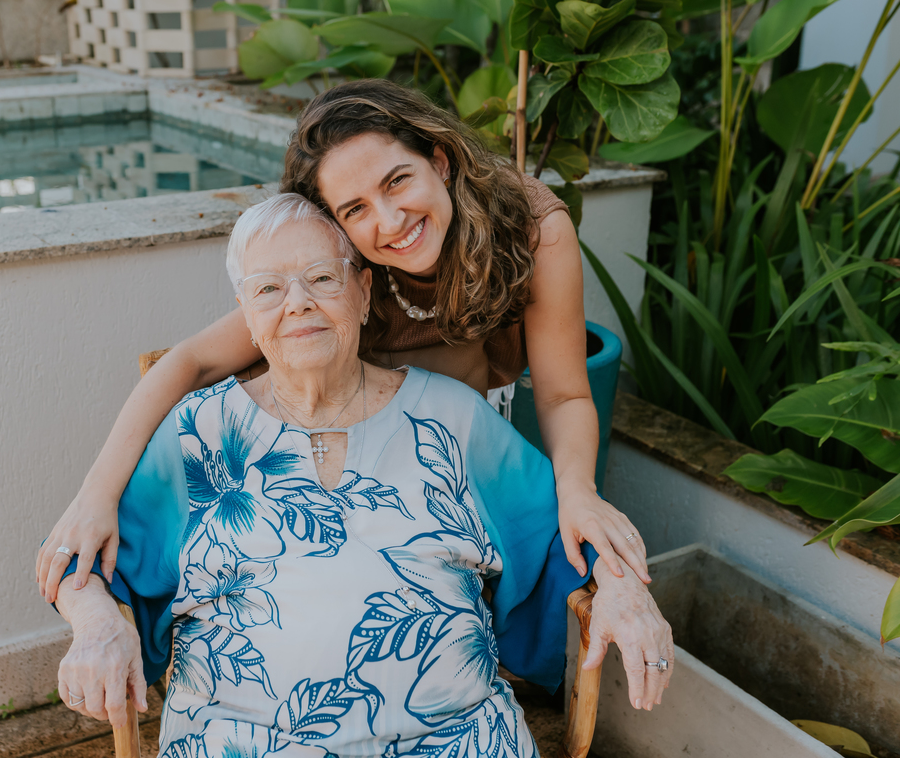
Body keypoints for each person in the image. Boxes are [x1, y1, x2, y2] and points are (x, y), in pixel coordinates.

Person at [48, 196, 673, 758]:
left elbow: (564, 528)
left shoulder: (452, 419)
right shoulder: (196, 435)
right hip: (244, 742)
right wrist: (97, 622)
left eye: (322, 278)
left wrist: (623, 587)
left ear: (364, 289)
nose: (298, 304)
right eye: (268, 289)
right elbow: (83, 566)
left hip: (455, 740)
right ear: (245, 310)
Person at [38, 78, 650, 624]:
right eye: (355, 209)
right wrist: (94, 496)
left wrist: (578, 490)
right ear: (335, 229)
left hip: (442, 460)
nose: (390, 221)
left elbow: (566, 391)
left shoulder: (530, 228)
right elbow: (189, 361)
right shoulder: (340, 274)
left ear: (439, 158)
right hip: (330, 452)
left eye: (398, 180)